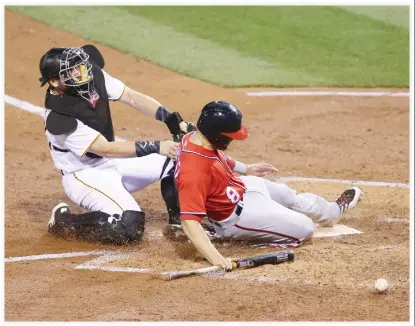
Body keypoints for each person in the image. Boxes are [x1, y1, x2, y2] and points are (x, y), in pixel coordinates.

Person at [174, 101, 362, 270]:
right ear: (215, 134)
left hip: (241, 187)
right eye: (230, 136)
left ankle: (331, 212)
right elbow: (189, 221)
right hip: (235, 216)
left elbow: (216, 158)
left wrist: (246, 169)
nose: (232, 140)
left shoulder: (196, 138)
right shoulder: (194, 172)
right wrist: (216, 258)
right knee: (304, 229)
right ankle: (231, 235)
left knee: (288, 195)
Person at [39, 45, 195, 245]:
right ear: (54, 81)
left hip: (109, 163)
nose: (80, 72)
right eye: (71, 71)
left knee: (177, 158)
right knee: (128, 228)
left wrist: (173, 120)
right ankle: (64, 222)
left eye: (79, 66)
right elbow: (106, 148)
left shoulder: (93, 78)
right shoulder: (59, 117)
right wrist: (157, 146)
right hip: (84, 175)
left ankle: (179, 224)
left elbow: (131, 96)